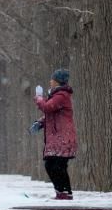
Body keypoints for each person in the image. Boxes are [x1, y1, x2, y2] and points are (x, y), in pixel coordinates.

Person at [30, 68, 77, 200]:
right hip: (58, 138)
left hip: (63, 138)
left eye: (53, 79)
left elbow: (47, 107)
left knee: (57, 165)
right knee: (54, 165)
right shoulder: (57, 96)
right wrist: (40, 123)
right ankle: (62, 192)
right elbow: (51, 115)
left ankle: (65, 193)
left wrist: (39, 98)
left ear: (58, 81)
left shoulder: (62, 96)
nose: (50, 81)